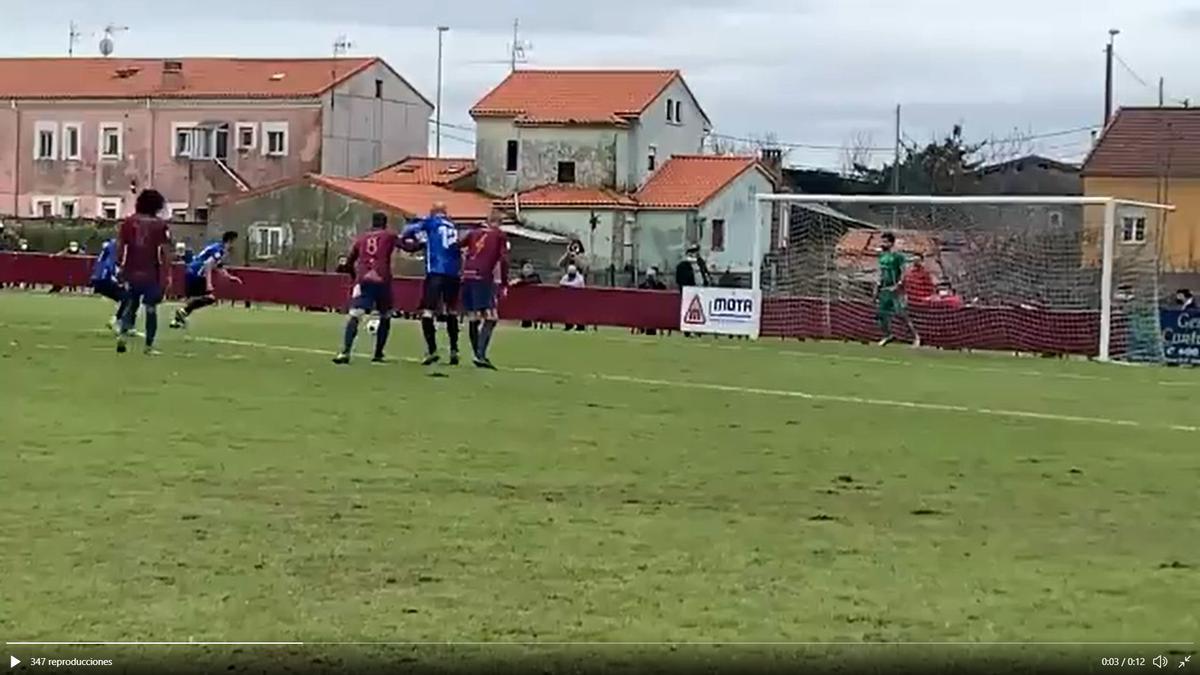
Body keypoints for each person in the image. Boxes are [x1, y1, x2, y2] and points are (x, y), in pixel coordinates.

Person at [333, 212, 400, 365]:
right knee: (385, 315)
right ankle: (378, 354)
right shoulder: (390, 236)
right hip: (382, 279)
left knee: (355, 314)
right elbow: (408, 247)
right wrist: (422, 242)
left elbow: (350, 261)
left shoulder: (361, 239)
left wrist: (352, 275)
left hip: (364, 279)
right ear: (385, 224)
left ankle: (345, 352)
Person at [401, 202, 463, 365]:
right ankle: (454, 350)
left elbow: (407, 231)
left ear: (433, 212)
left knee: (428, 311)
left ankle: (432, 350)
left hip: (436, 270)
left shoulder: (430, 222)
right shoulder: (452, 225)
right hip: (453, 272)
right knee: (451, 311)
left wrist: (415, 239)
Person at [115, 189, 172, 355]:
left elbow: (121, 247)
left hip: (131, 270)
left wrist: (120, 267)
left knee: (131, 304)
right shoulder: (160, 225)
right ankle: (148, 346)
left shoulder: (128, 222)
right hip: (150, 272)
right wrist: (167, 274)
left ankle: (123, 335)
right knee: (151, 308)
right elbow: (165, 251)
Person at [461, 209, 510, 369]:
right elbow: (503, 260)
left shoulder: (473, 233)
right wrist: (504, 283)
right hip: (483, 277)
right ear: (499, 222)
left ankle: (477, 354)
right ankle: (479, 354)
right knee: (491, 317)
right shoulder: (499, 236)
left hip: (467, 275)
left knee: (474, 316)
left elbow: (457, 246)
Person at [170, 231, 242, 329]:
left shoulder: (216, 247)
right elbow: (208, 264)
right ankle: (181, 312)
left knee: (196, 299)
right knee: (209, 298)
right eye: (234, 242)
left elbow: (218, 266)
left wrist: (229, 277)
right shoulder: (219, 250)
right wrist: (209, 283)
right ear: (230, 240)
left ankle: (176, 320)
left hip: (191, 271)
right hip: (197, 273)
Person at [876, 232, 921, 348]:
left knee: (900, 313)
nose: (883, 244)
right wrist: (877, 286)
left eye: (886, 242)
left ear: (891, 243)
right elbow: (881, 272)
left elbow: (903, 271)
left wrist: (899, 284)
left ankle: (915, 337)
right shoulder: (882, 255)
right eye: (882, 241)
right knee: (881, 314)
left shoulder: (898, 256)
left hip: (895, 289)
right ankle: (888, 335)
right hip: (884, 289)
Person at [90, 238, 128, 332]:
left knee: (123, 299)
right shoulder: (114, 247)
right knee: (126, 298)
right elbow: (110, 266)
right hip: (104, 278)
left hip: (97, 279)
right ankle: (115, 321)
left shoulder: (109, 245)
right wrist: (118, 280)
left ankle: (118, 320)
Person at [510, 260, 543, 329]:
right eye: (526, 267)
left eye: (529, 267)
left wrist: (520, 281)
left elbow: (533, 281)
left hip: (536, 301)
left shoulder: (535, 277)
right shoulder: (520, 277)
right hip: (524, 303)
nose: (527, 269)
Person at [559, 263, 586, 331]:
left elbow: (576, 284)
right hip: (569, 299)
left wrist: (567, 285)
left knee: (579, 312)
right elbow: (561, 282)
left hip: (579, 299)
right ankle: (568, 325)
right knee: (567, 311)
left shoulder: (580, 278)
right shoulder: (566, 276)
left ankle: (580, 326)